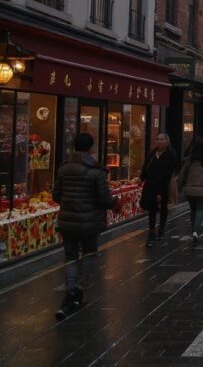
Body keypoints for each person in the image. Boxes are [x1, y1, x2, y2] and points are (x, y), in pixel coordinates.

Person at [53, 133, 117, 320]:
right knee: (89, 253)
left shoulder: (63, 169)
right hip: (89, 221)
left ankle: (70, 290)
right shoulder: (96, 171)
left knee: (70, 256)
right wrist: (115, 201)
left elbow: (56, 196)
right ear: (91, 148)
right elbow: (104, 199)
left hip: (67, 220)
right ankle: (79, 289)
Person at [140, 133, 178, 247]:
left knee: (162, 208)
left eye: (162, 139)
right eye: (157, 139)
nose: (159, 141)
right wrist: (141, 178)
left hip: (163, 186)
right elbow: (145, 167)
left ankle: (161, 229)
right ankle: (152, 231)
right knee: (151, 209)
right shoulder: (152, 153)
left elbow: (167, 174)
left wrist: (161, 192)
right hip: (150, 185)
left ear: (167, 141)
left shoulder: (171, 154)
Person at [178, 137, 203, 245]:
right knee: (200, 209)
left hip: (189, 189)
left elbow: (182, 175)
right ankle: (195, 231)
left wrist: (179, 187)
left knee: (192, 210)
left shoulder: (189, 160)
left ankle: (193, 230)